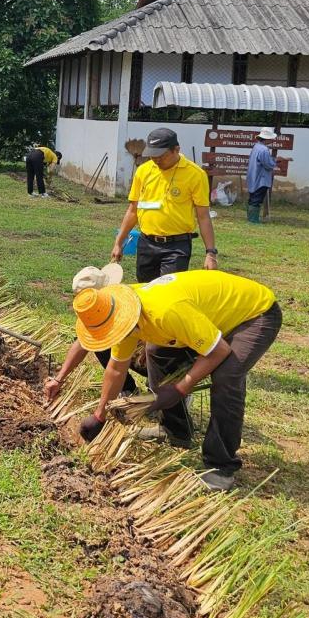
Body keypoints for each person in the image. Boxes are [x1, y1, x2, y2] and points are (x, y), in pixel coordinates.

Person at [47, 269, 282, 491]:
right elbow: (116, 369)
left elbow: (218, 351)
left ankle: (220, 466)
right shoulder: (121, 315)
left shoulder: (165, 311)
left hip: (253, 314)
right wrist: (100, 414)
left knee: (226, 377)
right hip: (205, 318)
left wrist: (180, 388)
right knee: (156, 352)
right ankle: (175, 431)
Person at [108, 126, 218, 439]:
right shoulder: (144, 171)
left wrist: (210, 253)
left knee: (168, 300)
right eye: (151, 156)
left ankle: (171, 362)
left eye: (160, 156)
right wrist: (119, 241)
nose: (155, 161)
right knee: (145, 305)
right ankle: (146, 359)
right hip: (147, 243)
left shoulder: (194, 174)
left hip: (177, 245)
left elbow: (203, 217)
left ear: (175, 150)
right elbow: (132, 210)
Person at [246, 127, 278, 224]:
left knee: (253, 198)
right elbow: (268, 165)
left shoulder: (256, 146)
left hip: (253, 176)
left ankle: (251, 218)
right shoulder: (264, 150)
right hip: (261, 179)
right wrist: (275, 163)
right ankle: (253, 220)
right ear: (267, 139)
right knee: (257, 199)